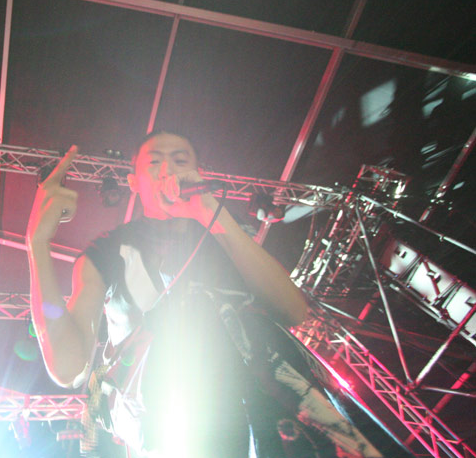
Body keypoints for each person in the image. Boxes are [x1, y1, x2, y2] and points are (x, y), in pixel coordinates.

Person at [27, 131, 399, 457]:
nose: (168, 169)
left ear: (198, 174)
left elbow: (294, 311)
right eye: (154, 162)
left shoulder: (225, 235)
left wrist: (209, 212)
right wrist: (37, 244)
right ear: (133, 182)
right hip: (170, 430)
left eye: (180, 160)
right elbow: (69, 368)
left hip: (271, 420)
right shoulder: (104, 253)